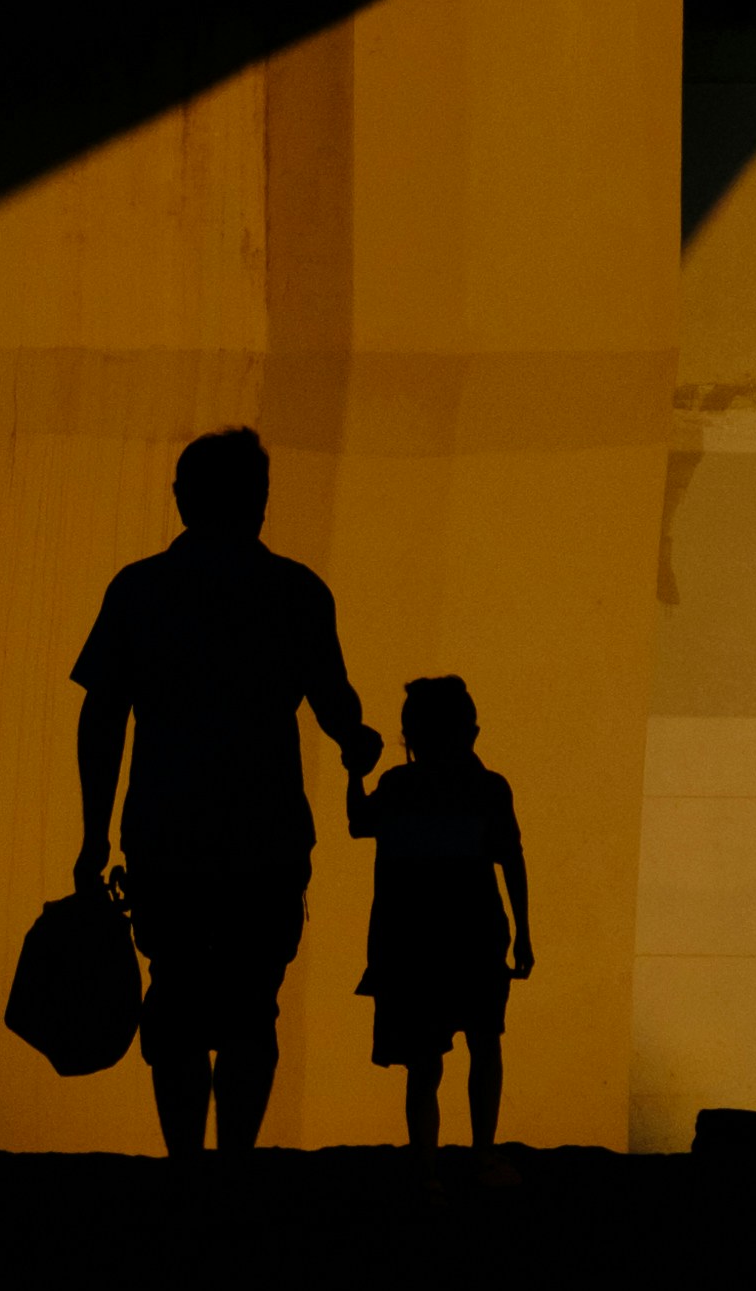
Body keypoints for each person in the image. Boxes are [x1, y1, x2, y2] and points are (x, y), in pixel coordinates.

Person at [70, 427, 383, 1156]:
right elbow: (335, 705)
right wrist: (357, 746)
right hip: (265, 836)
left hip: (164, 832)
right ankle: (233, 1159)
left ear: (182, 497)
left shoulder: (139, 589)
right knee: (251, 1005)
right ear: (259, 503)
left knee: (174, 996)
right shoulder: (297, 592)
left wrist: (93, 835)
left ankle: (185, 1160)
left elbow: (101, 715)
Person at [347, 676, 532, 1154]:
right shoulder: (488, 789)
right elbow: (511, 859)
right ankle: (481, 1156)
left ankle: (426, 1168)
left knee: (425, 1061)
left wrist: (354, 773)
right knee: (484, 1044)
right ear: (470, 732)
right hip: (476, 937)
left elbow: (358, 824)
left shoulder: (399, 786)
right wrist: (525, 933)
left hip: (412, 945)